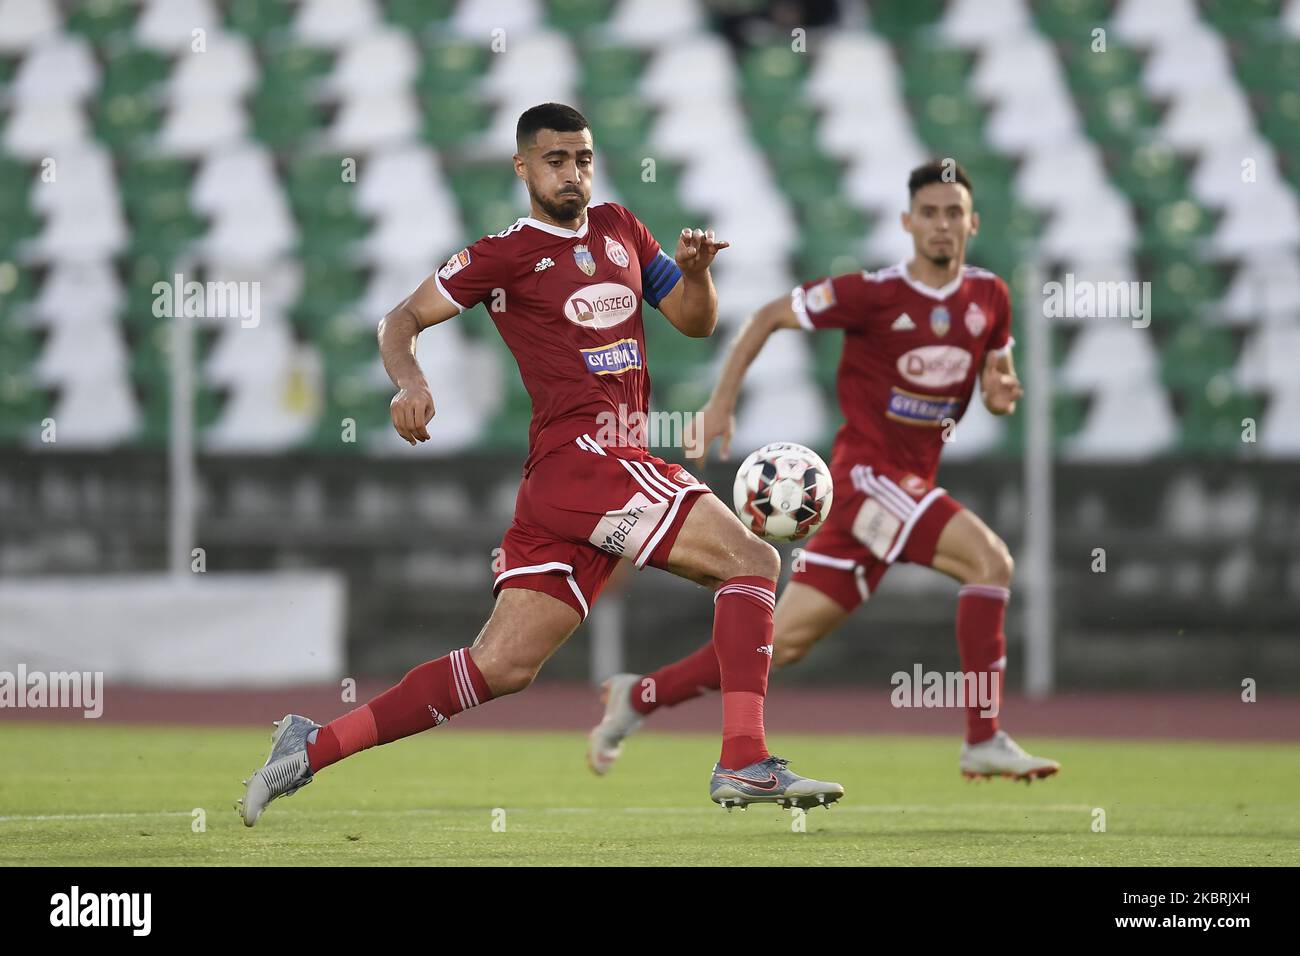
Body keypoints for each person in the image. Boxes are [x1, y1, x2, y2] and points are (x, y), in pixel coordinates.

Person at [237, 103, 843, 826]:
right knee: (752, 560)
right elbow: (399, 319)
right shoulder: (503, 253)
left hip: (576, 480)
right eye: (556, 160)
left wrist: (696, 275)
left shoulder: (621, 227)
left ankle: (311, 747)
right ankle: (744, 758)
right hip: (586, 456)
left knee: (502, 668)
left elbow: (692, 318)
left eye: (583, 158)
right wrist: (411, 382)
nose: (573, 173)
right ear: (523, 167)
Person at [588, 160, 1060, 783]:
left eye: (954, 214)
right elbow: (768, 317)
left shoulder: (990, 298)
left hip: (899, 491)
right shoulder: (872, 294)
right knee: (990, 562)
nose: (942, 225)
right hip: (866, 478)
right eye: (930, 213)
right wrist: (721, 403)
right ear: (908, 223)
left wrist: (1000, 391)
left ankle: (637, 698)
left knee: (779, 644)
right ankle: (983, 737)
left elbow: (997, 377)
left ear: (973, 222)